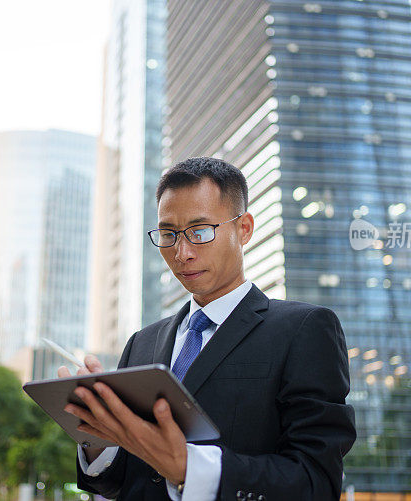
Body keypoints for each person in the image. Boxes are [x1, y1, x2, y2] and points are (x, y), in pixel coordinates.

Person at [58, 157, 356, 500]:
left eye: (200, 232)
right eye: (168, 234)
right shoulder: (142, 342)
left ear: (243, 228)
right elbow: (120, 483)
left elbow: (315, 481)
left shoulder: (304, 329)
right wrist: (103, 440)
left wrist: (190, 467)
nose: (182, 253)